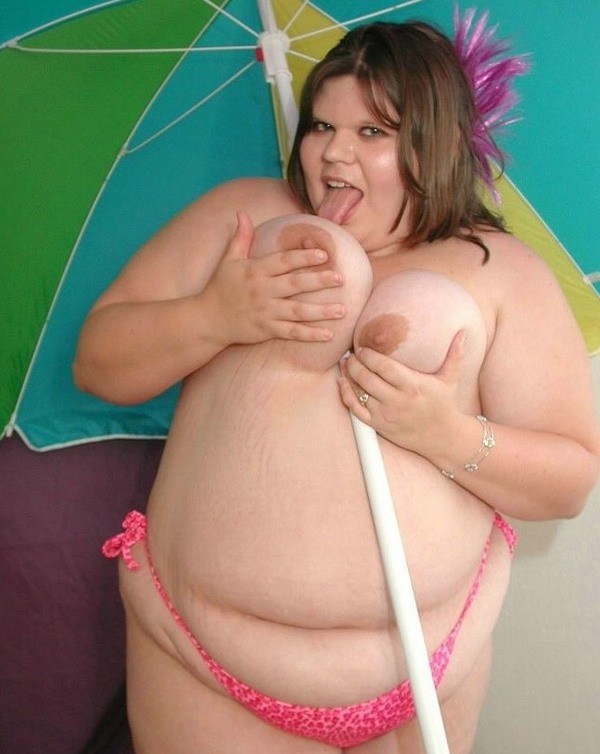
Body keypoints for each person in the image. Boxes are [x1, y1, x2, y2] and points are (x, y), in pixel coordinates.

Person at [73, 17, 600, 754]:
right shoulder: (243, 218)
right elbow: (97, 362)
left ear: (436, 142)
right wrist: (215, 314)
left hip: (423, 672)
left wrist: (448, 436)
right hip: (203, 662)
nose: (333, 152)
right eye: (322, 125)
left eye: (372, 132)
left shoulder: (499, 269)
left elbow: (569, 481)